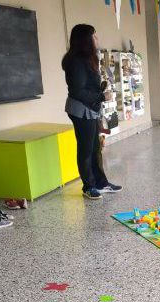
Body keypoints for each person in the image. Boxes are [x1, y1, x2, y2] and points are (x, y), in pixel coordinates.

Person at [61, 24, 122, 200]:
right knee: (86, 149)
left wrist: (101, 94)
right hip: (81, 111)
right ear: (85, 40)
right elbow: (77, 92)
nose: (97, 39)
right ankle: (88, 186)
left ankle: (101, 183)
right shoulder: (76, 61)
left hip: (90, 108)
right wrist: (102, 97)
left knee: (96, 147)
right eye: (94, 37)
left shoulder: (87, 57)